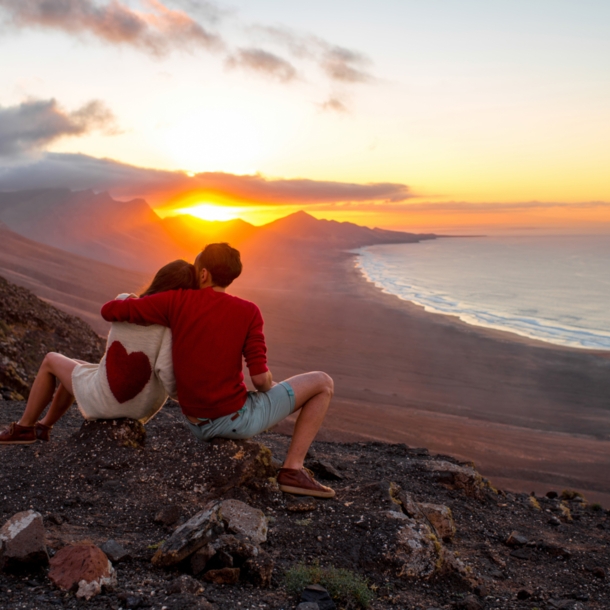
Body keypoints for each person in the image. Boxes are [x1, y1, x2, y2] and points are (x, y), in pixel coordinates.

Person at [100, 243, 336, 498]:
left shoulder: (176, 301)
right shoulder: (248, 311)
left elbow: (109, 310)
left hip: (195, 423)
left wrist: (138, 302)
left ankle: (292, 469)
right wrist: (271, 385)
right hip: (233, 421)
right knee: (323, 383)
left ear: (203, 274)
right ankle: (293, 470)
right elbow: (260, 381)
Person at [0, 260, 198, 445]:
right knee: (78, 366)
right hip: (139, 409)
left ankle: (24, 427)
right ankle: (43, 426)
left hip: (107, 402)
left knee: (50, 360)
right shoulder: (170, 328)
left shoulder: (124, 304)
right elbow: (169, 377)